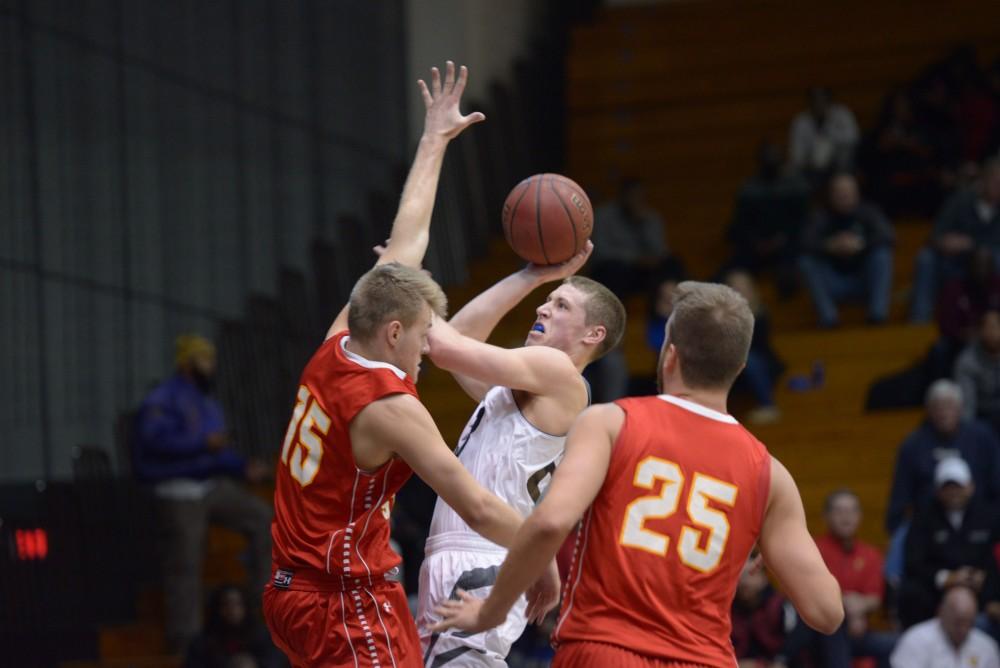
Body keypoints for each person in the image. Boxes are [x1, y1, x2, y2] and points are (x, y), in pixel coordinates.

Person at [261, 62, 559, 667]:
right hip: (341, 601)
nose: (429, 347)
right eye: (424, 335)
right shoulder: (391, 406)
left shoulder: (339, 337)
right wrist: (541, 558)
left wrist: (434, 140)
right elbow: (475, 505)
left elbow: (406, 242)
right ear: (395, 331)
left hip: (293, 588)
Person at [432, 281, 844, 666]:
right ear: (738, 368)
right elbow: (826, 613)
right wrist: (751, 538)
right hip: (704, 656)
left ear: (670, 354)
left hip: (605, 648)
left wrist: (492, 610)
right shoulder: (770, 475)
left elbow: (551, 522)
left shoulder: (612, 422)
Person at [415, 246, 626, 665]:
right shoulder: (524, 392)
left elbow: (442, 345)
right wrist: (531, 276)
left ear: (592, 335)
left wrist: (407, 279)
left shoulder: (559, 372)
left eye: (561, 305)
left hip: (479, 558)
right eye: (546, 300)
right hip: (476, 554)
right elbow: (459, 335)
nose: (544, 308)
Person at [133, 334, 272, 653]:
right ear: (187, 364)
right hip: (178, 489)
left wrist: (242, 468)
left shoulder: (208, 402)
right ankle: (187, 643)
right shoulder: (161, 399)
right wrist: (199, 444)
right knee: (184, 564)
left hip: (210, 485)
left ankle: (263, 613)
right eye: (204, 360)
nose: (211, 367)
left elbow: (217, 450)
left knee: (263, 517)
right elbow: (152, 443)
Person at [884, 379, 1000, 534]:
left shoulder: (982, 438)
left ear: (960, 408)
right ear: (929, 411)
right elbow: (900, 496)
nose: (944, 413)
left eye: (949, 406)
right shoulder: (913, 445)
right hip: (928, 530)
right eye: (938, 407)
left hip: (980, 527)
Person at [900, 457, 1000, 629]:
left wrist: (984, 578)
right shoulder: (923, 519)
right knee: (912, 592)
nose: (954, 491)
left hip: (982, 590)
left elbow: (994, 556)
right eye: (948, 486)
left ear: (970, 487)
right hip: (936, 592)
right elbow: (913, 563)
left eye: (958, 486)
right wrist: (947, 578)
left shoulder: (989, 517)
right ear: (938, 490)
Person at [798, 172, 894, 328]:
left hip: (863, 279)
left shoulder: (869, 212)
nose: (844, 196)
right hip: (833, 281)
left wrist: (860, 245)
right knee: (806, 262)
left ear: (857, 193)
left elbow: (887, 236)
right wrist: (830, 246)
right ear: (830, 195)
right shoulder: (820, 216)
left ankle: (877, 315)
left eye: (848, 192)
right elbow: (805, 243)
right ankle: (828, 317)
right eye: (839, 192)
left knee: (882, 255)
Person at [812, 489, 897, 668]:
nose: (846, 517)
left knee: (897, 644)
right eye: (839, 511)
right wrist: (849, 610)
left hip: (861, 631)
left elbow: (874, 599)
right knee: (835, 632)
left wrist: (857, 609)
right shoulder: (813, 550)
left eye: (852, 511)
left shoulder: (871, 554)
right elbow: (812, 595)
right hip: (821, 631)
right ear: (826, 516)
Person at [910, 159, 1000, 323]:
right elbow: (935, 235)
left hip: (987, 265)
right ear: (984, 180)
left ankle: (993, 321)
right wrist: (943, 242)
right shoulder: (960, 201)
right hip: (955, 262)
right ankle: (919, 318)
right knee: (926, 258)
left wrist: (971, 243)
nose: (998, 187)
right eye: (996, 181)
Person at [726, 141, 810, 296]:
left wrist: (782, 239)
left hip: (788, 243)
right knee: (731, 270)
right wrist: (756, 241)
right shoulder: (749, 189)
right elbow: (741, 223)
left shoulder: (794, 186)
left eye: (774, 158)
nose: (771, 162)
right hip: (756, 245)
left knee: (793, 271)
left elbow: (802, 220)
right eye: (767, 158)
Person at [589, 178, 683, 300]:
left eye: (639, 196)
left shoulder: (651, 217)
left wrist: (642, 225)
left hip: (644, 270)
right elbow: (600, 250)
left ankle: (664, 313)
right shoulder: (604, 215)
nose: (635, 200)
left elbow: (660, 249)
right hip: (616, 268)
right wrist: (634, 259)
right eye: (632, 195)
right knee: (613, 271)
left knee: (672, 264)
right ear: (622, 196)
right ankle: (615, 314)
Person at [725, 270, 785, 424]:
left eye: (743, 287)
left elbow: (751, 345)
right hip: (731, 367)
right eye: (735, 288)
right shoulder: (719, 317)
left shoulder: (761, 314)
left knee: (748, 359)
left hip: (759, 364)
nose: (740, 292)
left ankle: (768, 405)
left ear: (752, 290)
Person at [890, 586, 1000, 668]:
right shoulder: (915, 640)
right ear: (941, 613)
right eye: (958, 623)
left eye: (969, 623)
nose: (963, 629)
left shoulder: (987, 647)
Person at [185, 585, 282, 668]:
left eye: (237, 604)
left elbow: (275, 662)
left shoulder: (263, 636)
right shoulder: (202, 641)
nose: (232, 610)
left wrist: (253, 665)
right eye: (226, 604)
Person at [789, 87, 860, 184]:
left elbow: (853, 139)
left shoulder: (842, 115)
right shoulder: (801, 122)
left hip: (839, 164)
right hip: (811, 169)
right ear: (810, 103)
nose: (819, 105)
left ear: (830, 101)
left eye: (823, 101)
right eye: (815, 101)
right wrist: (811, 160)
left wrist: (831, 140)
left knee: (845, 157)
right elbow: (797, 156)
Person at [956, 310, 1000, 434]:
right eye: (989, 327)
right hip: (982, 415)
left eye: (996, 326)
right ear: (980, 331)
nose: (993, 332)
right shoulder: (967, 361)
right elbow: (967, 404)